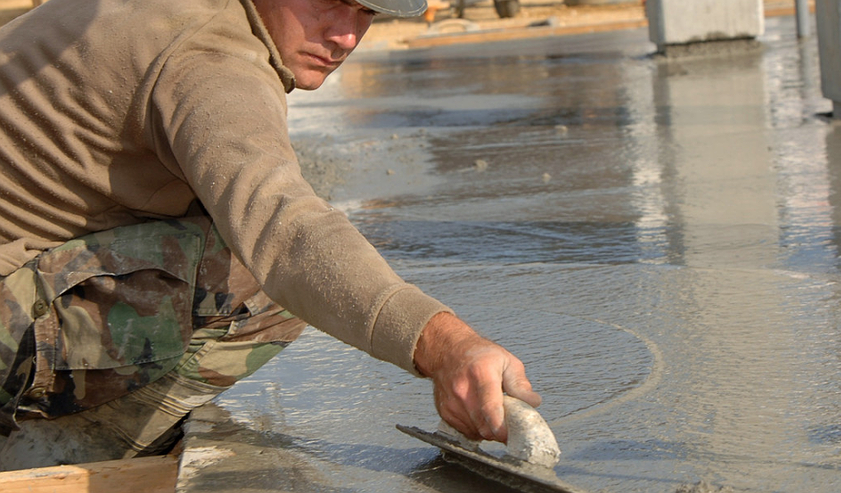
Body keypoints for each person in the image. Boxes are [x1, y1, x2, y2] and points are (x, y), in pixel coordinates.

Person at [0, 0, 541, 469]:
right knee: (259, 275)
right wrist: (445, 346)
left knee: (219, 225)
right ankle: (68, 448)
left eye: (365, 13)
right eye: (330, 1)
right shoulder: (210, 58)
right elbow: (287, 233)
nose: (345, 36)